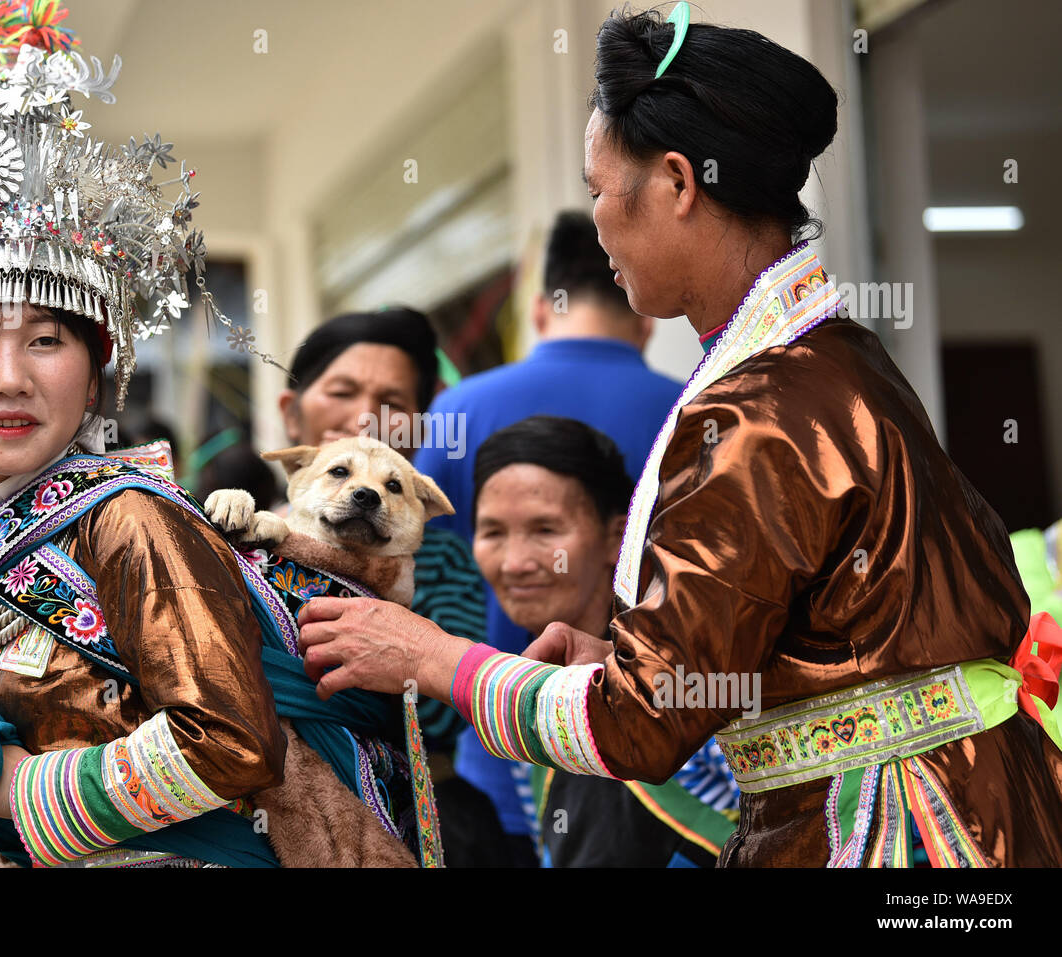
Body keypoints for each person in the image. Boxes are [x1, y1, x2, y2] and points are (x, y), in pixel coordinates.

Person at [294, 3, 1062, 866]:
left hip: (903, 831)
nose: (594, 227)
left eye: (597, 191)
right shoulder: (831, 356)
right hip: (966, 800)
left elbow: (642, 726)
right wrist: (631, 659)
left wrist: (436, 657)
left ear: (676, 183)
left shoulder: (759, 406)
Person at [0, 5, 421, 868]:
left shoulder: (134, 523)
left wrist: (1, 786)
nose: (9, 376)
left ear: (95, 366)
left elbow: (231, 742)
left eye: (45, 340)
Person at [415, 210, 681, 854]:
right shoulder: (693, 411)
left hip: (496, 759)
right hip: (649, 744)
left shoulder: (459, 408)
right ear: (645, 323)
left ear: (539, 312)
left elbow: (415, 562)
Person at [278, 307, 499, 863]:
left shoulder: (442, 559)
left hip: (412, 817)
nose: (364, 420)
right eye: (343, 390)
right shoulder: (232, 534)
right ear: (290, 412)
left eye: (393, 404)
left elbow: (447, 714)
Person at [473, 416, 734, 866]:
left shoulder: (682, 671)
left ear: (617, 537)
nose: (514, 563)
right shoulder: (523, 689)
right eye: (493, 532)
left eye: (545, 531)